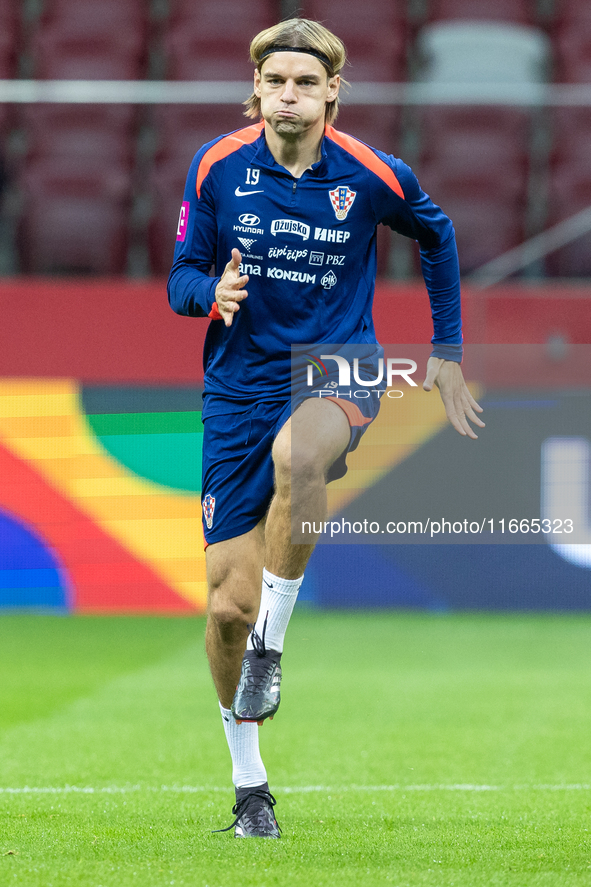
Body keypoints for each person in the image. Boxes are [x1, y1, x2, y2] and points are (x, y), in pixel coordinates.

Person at [168, 17, 484, 838]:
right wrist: (212, 296)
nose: (289, 95)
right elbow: (180, 276)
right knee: (223, 609)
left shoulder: (371, 173)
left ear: (332, 92)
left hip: (337, 365)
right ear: (257, 88)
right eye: (276, 81)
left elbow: (438, 234)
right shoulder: (215, 167)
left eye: (306, 83)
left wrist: (445, 351)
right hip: (237, 385)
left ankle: (273, 645)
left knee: (300, 450)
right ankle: (250, 789)